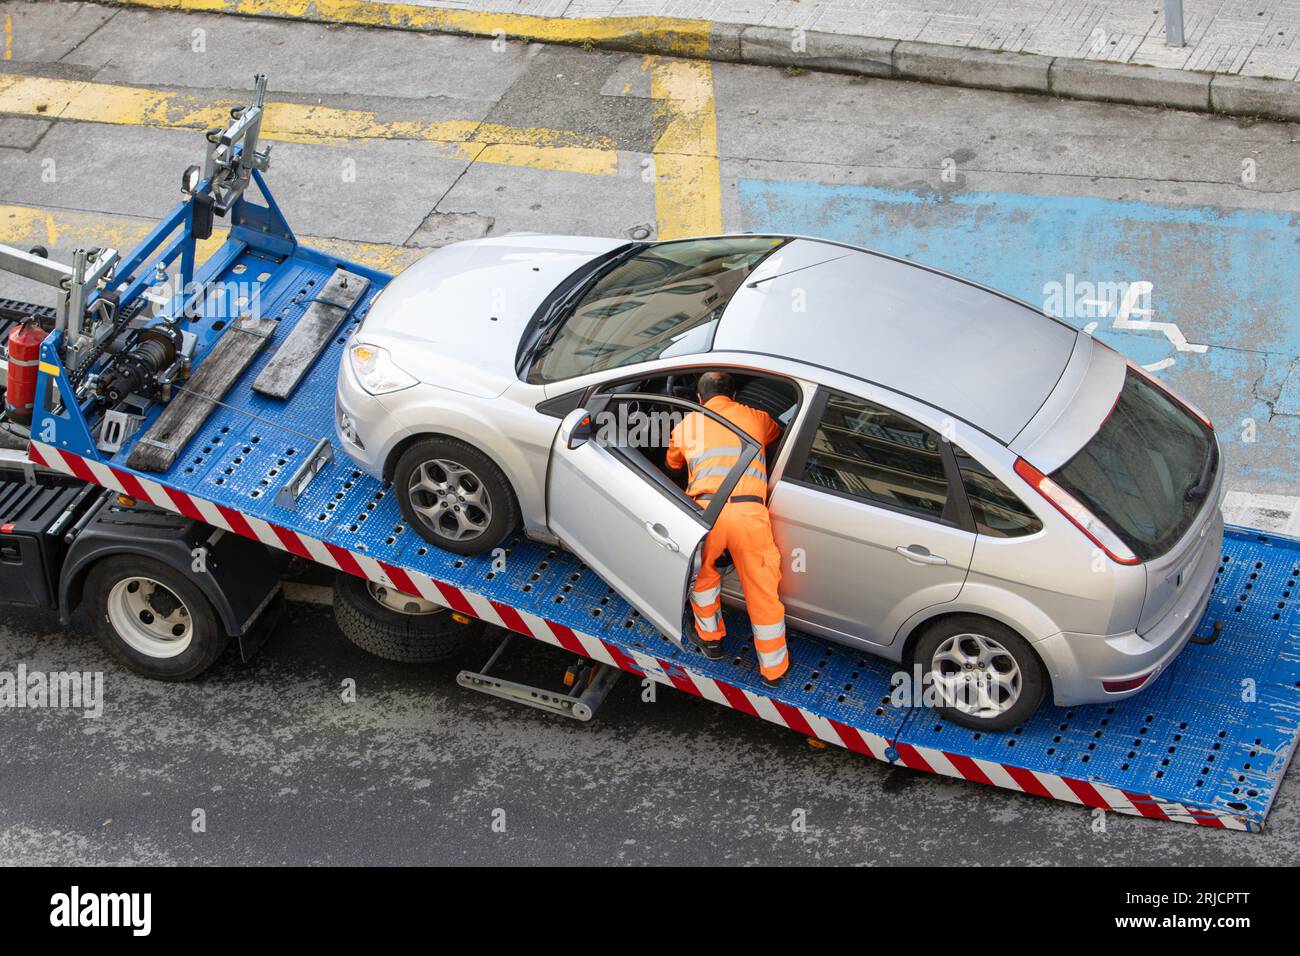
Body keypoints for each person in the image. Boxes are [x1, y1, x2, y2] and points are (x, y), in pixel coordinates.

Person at [665, 372, 789, 688]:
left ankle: (712, 641)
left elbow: (673, 466)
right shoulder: (757, 417)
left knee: (702, 577)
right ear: (733, 394)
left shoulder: (686, 426)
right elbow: (775, 436)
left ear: (699, 399)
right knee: (762, 590)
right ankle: (773, 671)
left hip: (706, 515)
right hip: (749, 513)